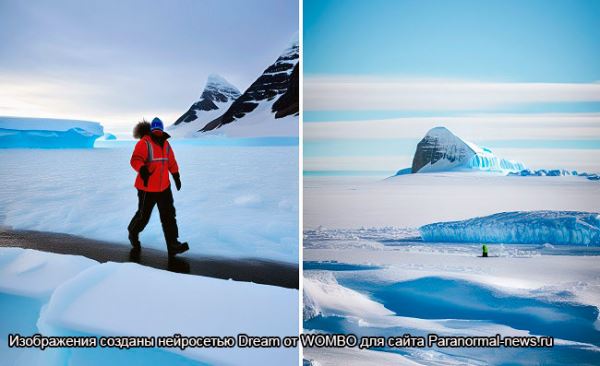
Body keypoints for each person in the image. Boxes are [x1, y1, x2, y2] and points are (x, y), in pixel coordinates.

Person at [127, 117, 189, 256]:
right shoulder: (144, 143)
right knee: (143, 216)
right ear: (151, 130)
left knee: (169, 216)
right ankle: (133, 232)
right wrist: (142, 169)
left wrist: (176, 176)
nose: (157, 131)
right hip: (146, 187)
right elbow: (135, 159)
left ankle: (173, 244)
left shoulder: (166, 145)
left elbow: (171, 162)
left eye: (159, 128)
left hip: (164, 188)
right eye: (155, 128)